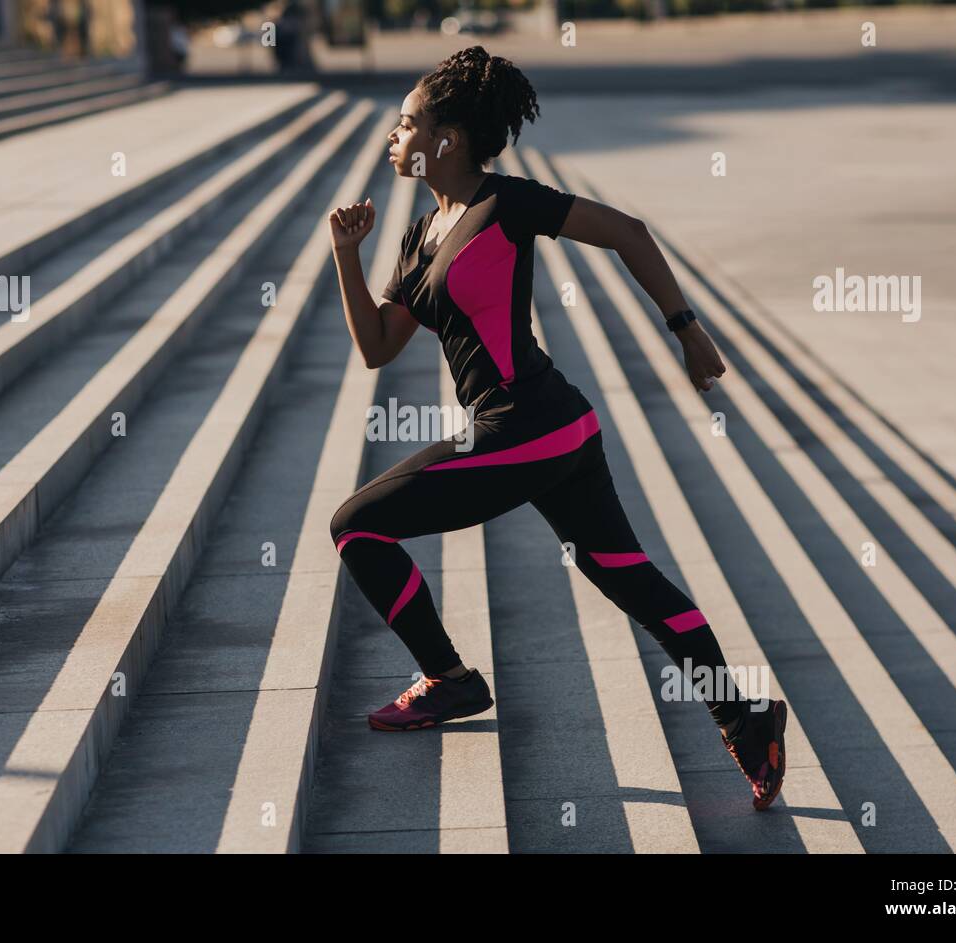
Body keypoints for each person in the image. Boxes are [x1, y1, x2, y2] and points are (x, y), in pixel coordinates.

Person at [327, 46, 786, 810]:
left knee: (358, 525)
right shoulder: (418, 238)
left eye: (409, 122)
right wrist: (347, 254)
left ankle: (448, 679)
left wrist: (686, 328)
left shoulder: (506, 206)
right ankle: (747, 718)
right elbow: (377, 346)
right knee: (628, 575)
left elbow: (629, 231)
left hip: (528, 426)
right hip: (552, 430)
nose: (395, 134)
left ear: (449, 139)